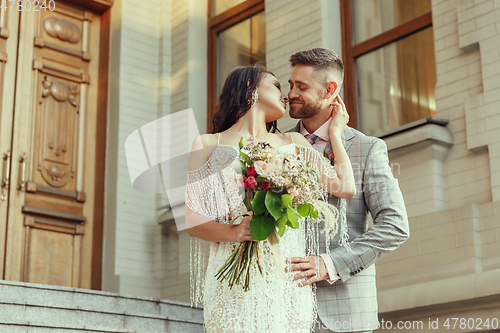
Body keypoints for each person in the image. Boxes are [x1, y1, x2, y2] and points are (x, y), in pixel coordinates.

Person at [185, 64, 356, 333]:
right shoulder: (207, 144)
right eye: (277, 85)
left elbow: (345, 187)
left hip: (286, 276)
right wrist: (234, 232)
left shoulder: (294, 142)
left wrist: (335, 133)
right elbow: (192, 221)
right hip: (233, 280)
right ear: (250, 86)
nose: (287, 95)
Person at [285, 48, 410, 333]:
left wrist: (329, 264)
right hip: (283, 309)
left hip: (345, 313)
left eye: (301, 87)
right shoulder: (278, 144)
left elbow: (395, 225)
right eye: (291, 84)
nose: (291, 93)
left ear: (330, 89)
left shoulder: (367, 149)